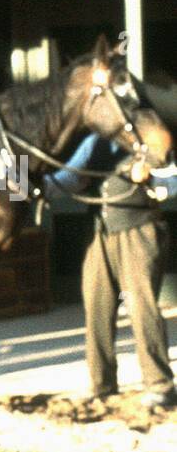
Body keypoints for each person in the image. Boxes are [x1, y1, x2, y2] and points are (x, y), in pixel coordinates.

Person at [45, 132, 176, 408]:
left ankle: (159, 385)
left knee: (141, 308)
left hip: (138, 229)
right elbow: (68, 178)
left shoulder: (153, 136)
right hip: (99, 233)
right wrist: (25, 184)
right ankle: (102, 383)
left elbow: (173, 182)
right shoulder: (94, 141)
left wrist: (152, 177)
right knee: (97, 307)